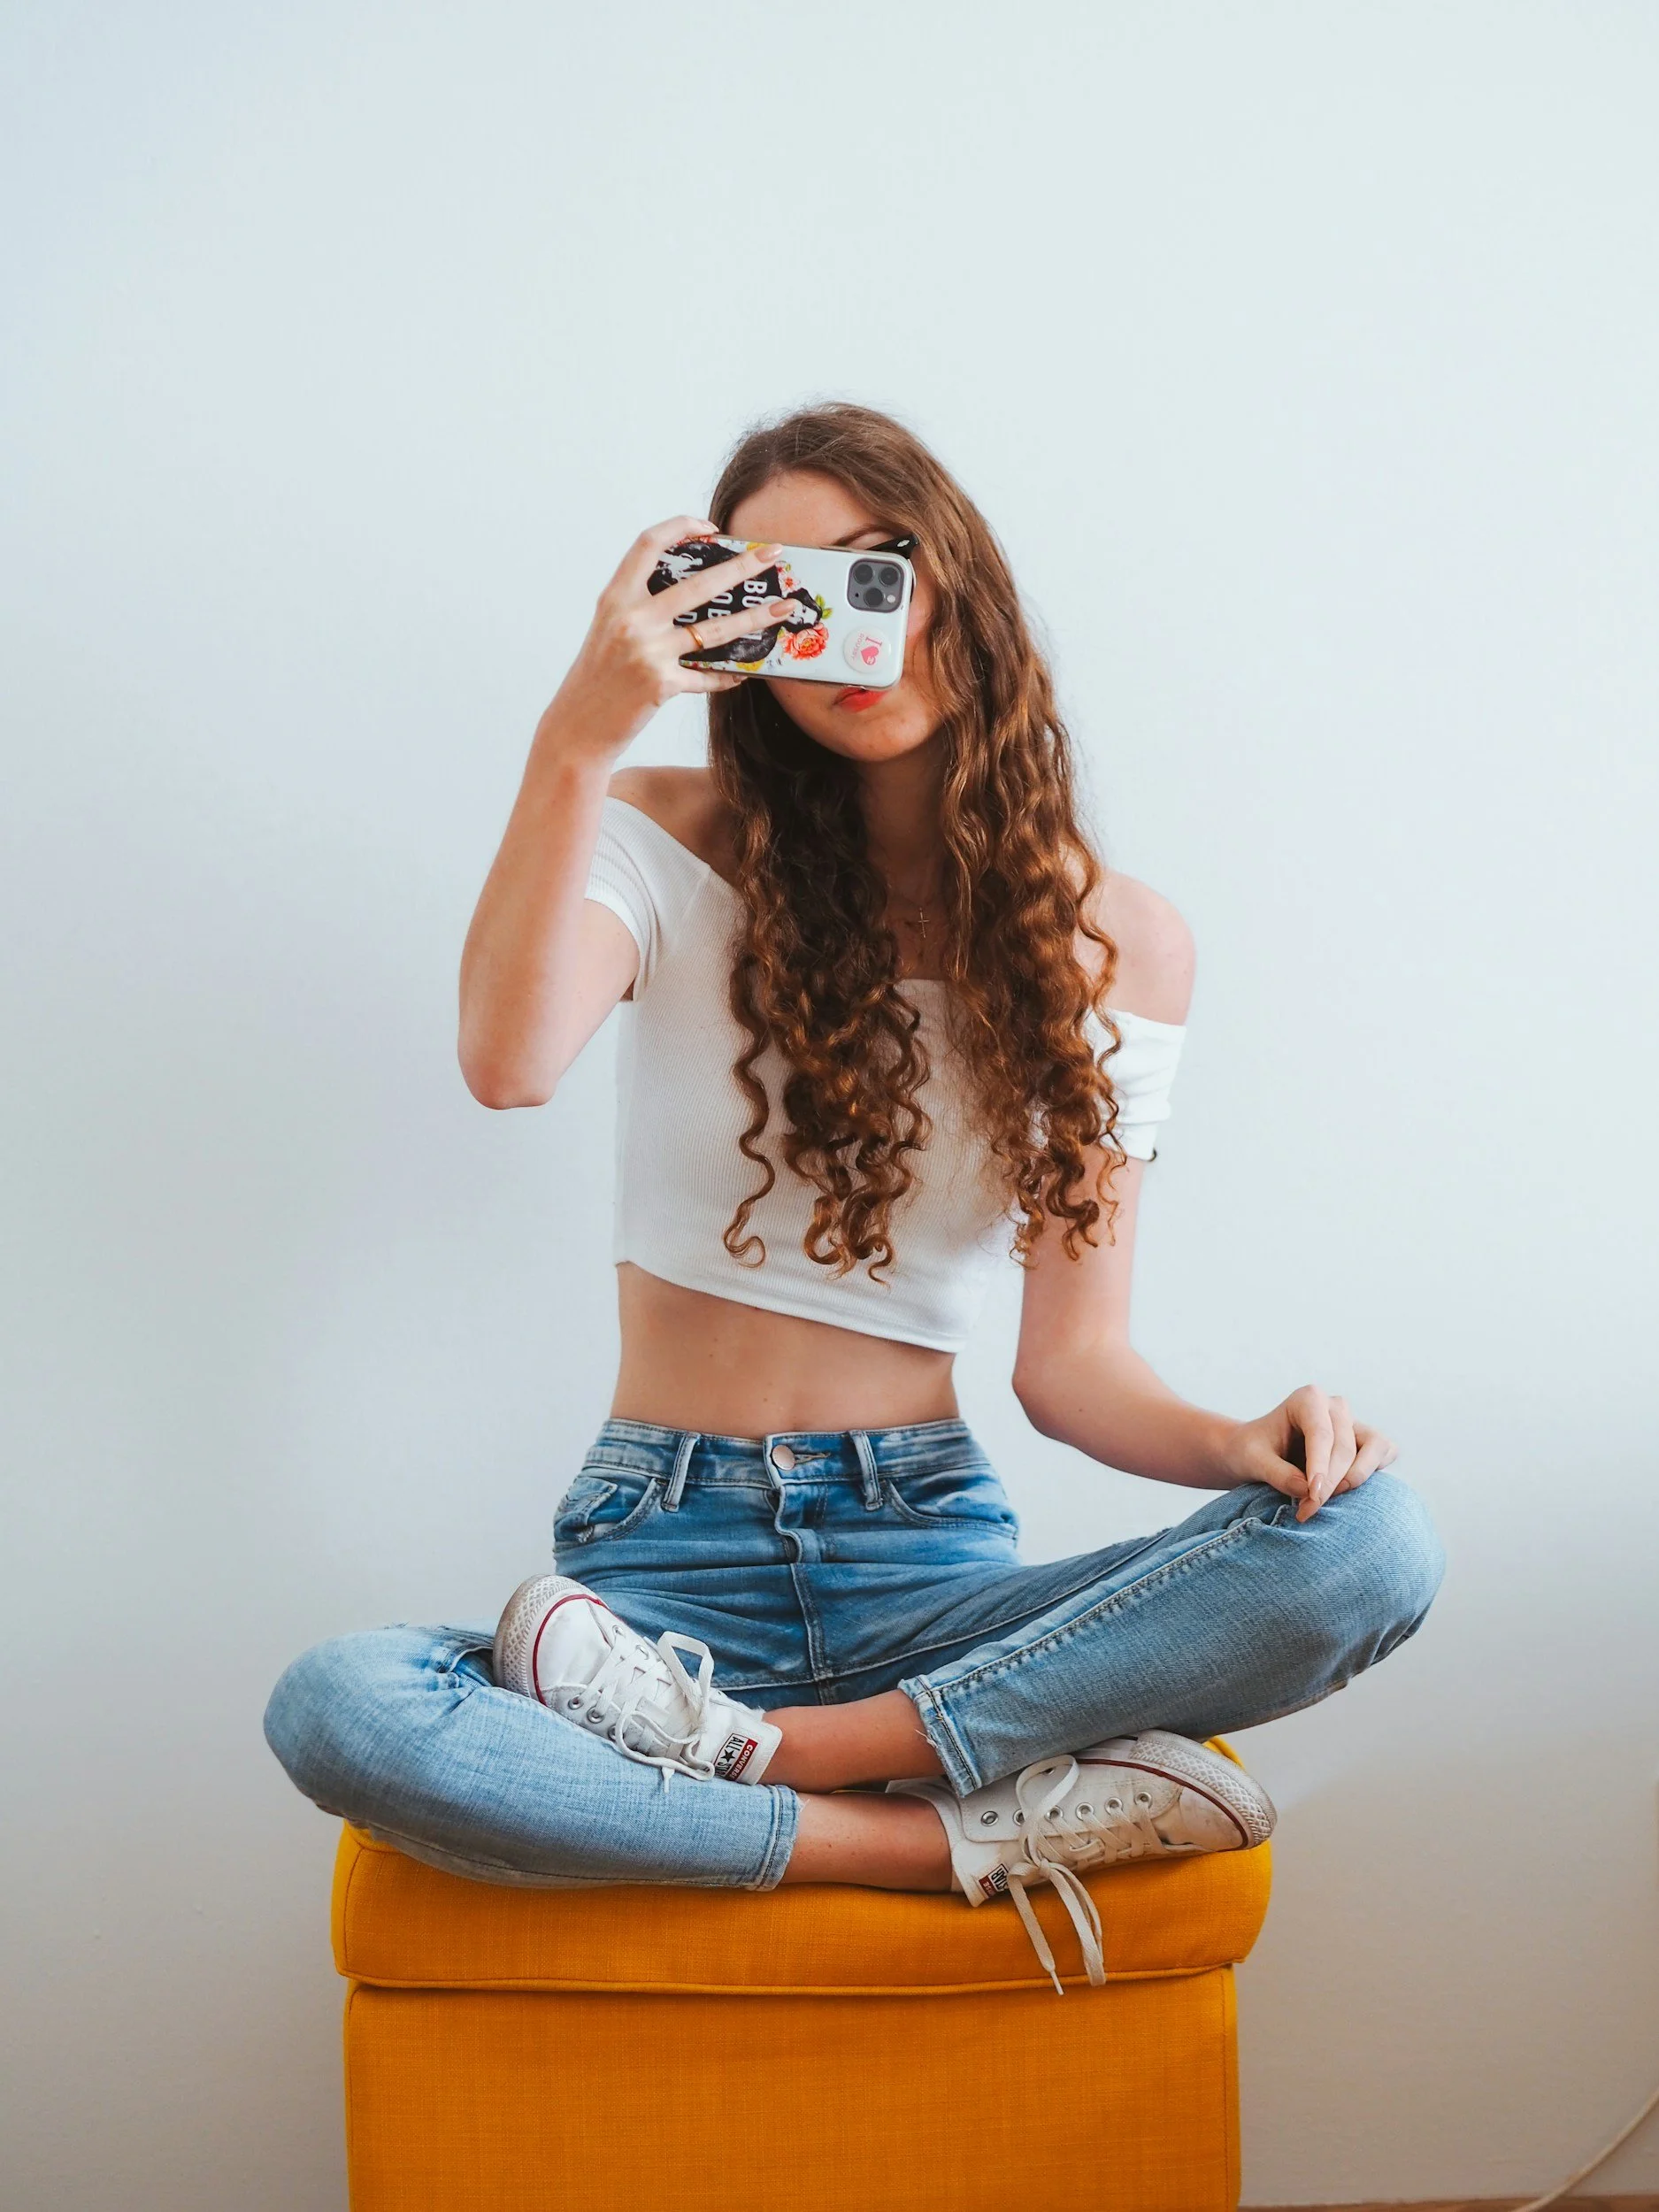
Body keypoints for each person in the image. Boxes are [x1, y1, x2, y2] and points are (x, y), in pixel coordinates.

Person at [265, 402, 1443, 1991]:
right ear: (733, 639)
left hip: (922, 1571)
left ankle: (780, 1760)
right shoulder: (665, 835)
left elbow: (1071, 1370)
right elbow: (508, 1061)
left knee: (1372, 1545)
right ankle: (930, 1835)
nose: (842, 625)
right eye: (782, 591)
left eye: (877, 566)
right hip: (651, 1588)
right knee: (338, 1706)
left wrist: (1239, 1444)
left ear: (961, 579)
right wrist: (578, 734)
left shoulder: (1119, 943)